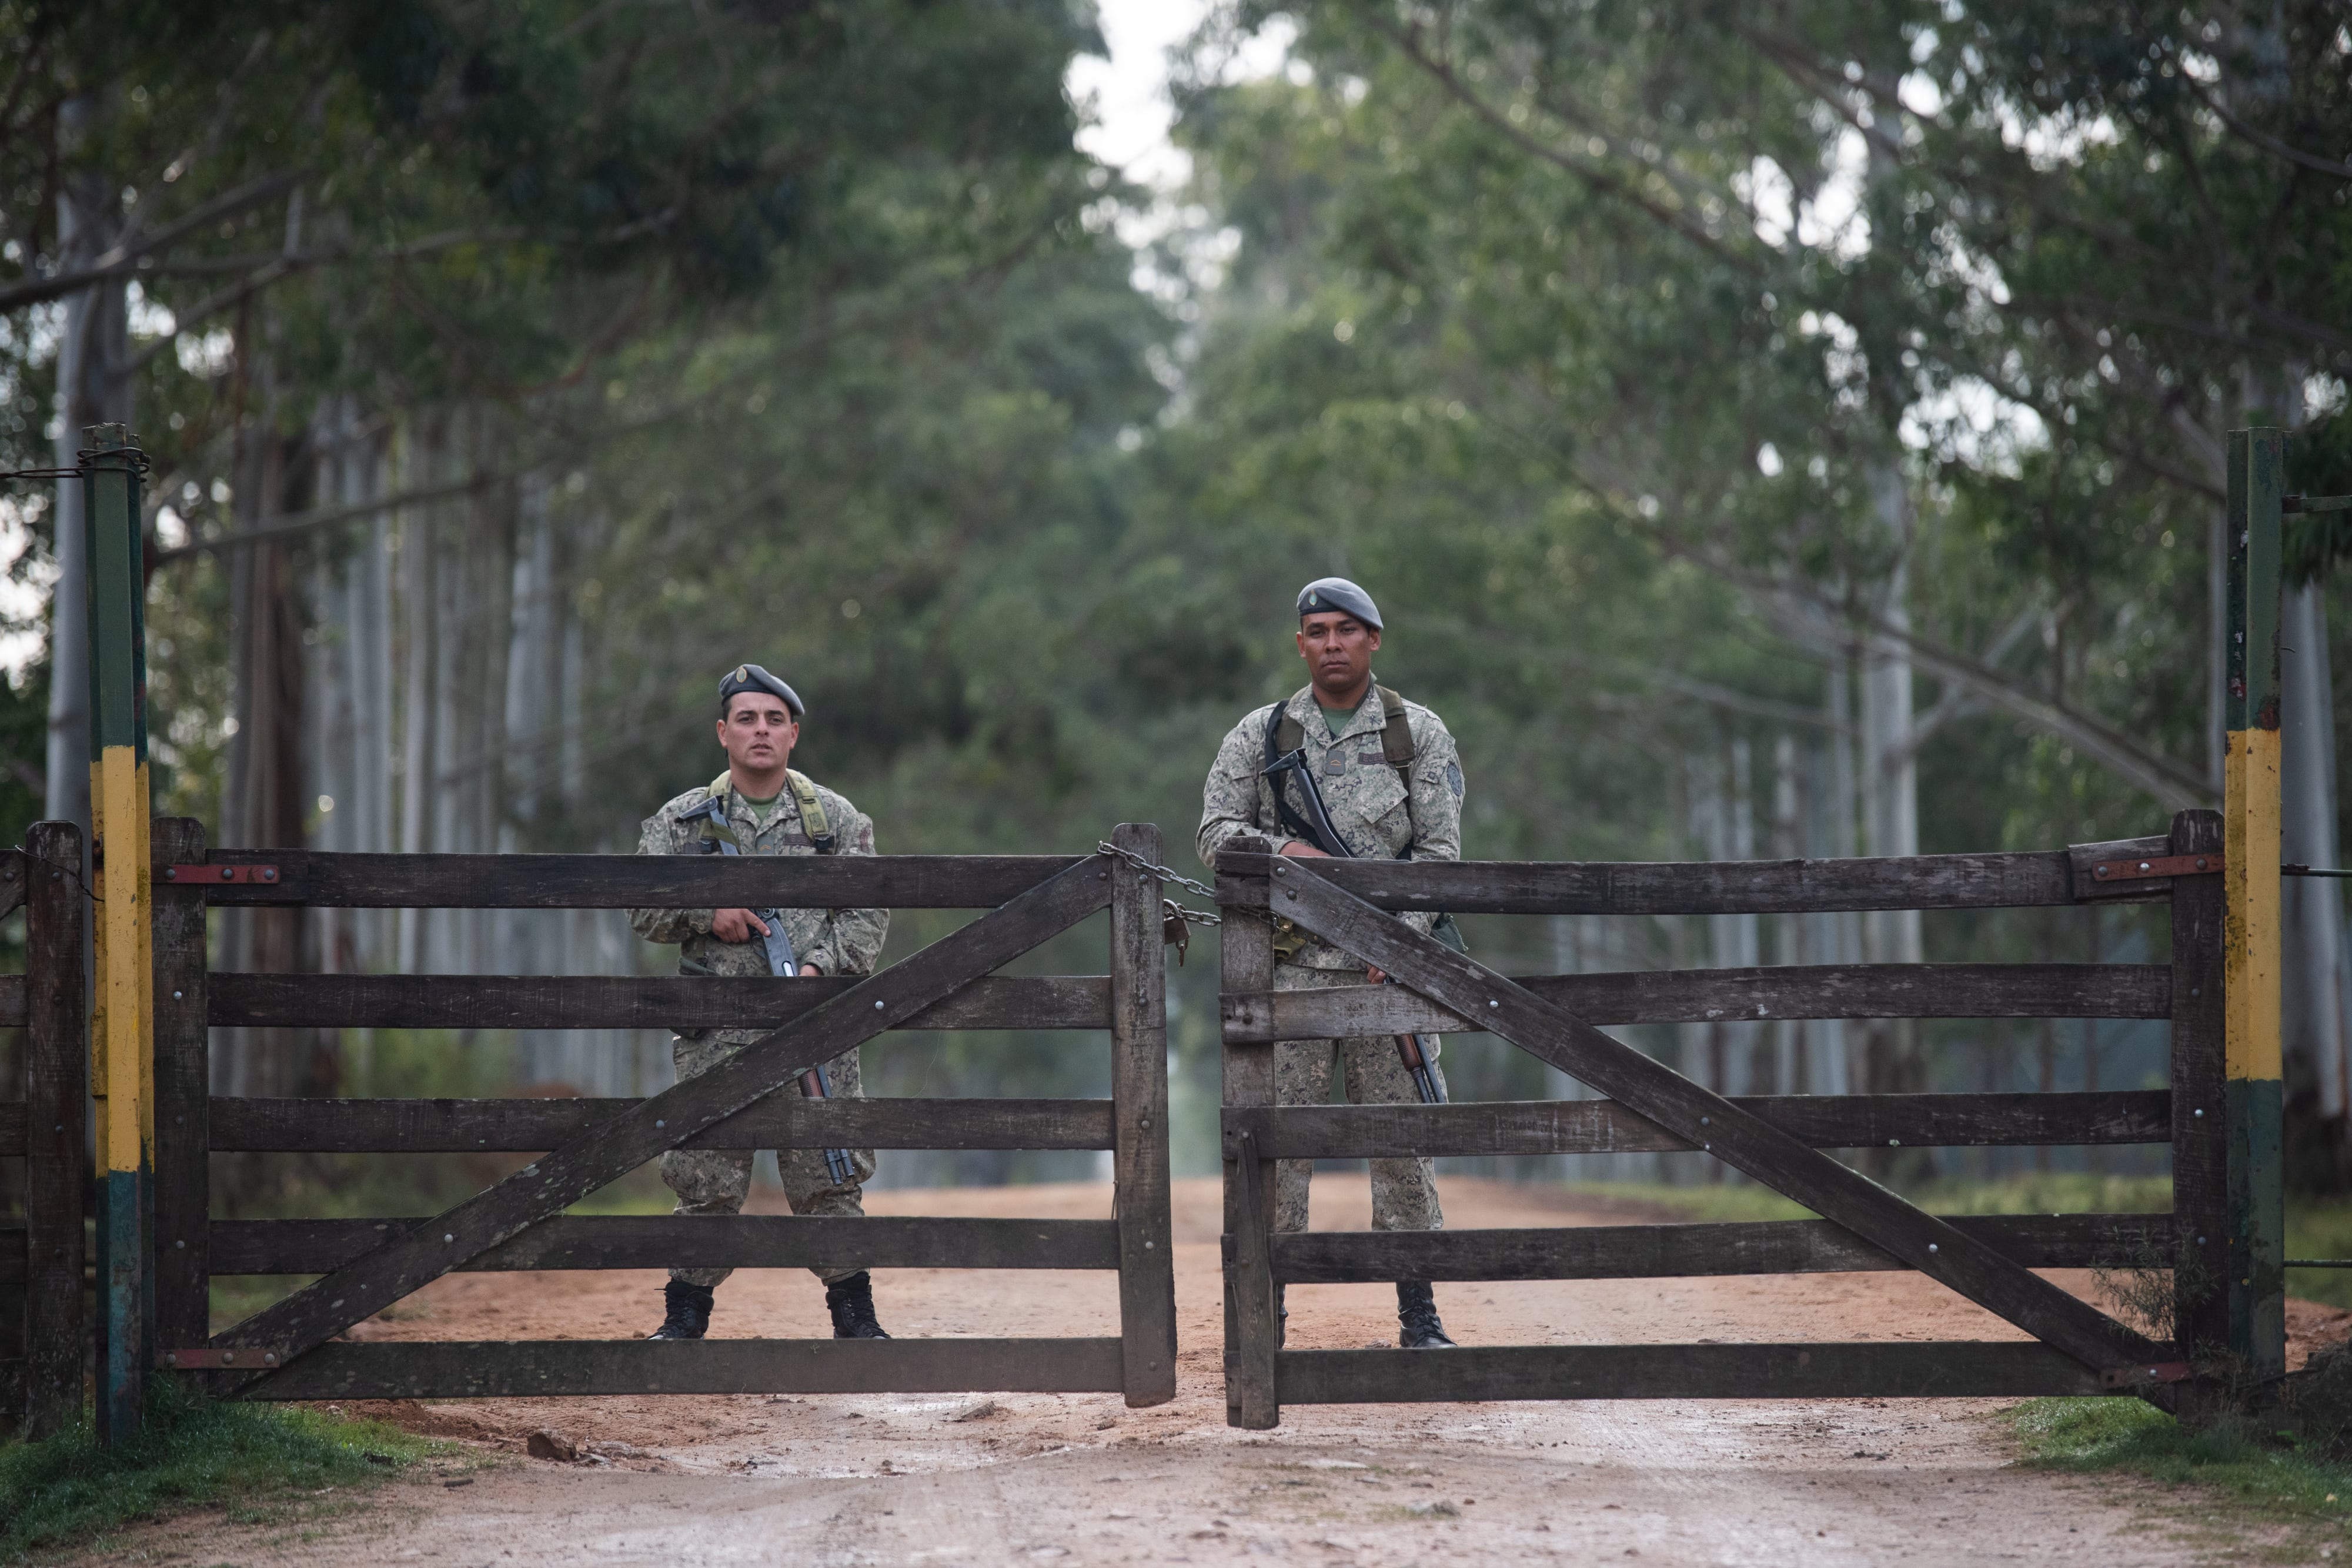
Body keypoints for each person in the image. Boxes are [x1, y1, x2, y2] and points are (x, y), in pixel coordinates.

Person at [1197, 577, 1466, 1349]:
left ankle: (1420, 1315)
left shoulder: (1417, 732)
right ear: (1300, 643)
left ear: (1374, 639)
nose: (1333, 644)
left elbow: (1441, 855)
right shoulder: (1263, 734)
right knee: (1275, 1151)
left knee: (1402, 1152)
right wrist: (1285, 848)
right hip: (1290, 978)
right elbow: (1214, 831)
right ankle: (1263, 1316)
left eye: (1348, 629)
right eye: (1317, 631)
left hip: (1393, 979)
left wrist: (1400, 942)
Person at [630, 663, 891, 1340]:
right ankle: (683, 1321)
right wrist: (703, 913)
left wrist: (816, 968)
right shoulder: (682, 822)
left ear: (794, 734)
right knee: (705, 1178)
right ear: (723, 732)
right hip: (716, 1033)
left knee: (830, 1176)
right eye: (746, 719)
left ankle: (856, 1321)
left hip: (816, 1031)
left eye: (774, 720)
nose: (761, 731)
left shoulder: (836, 821)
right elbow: (640, 907)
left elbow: (867, 916)